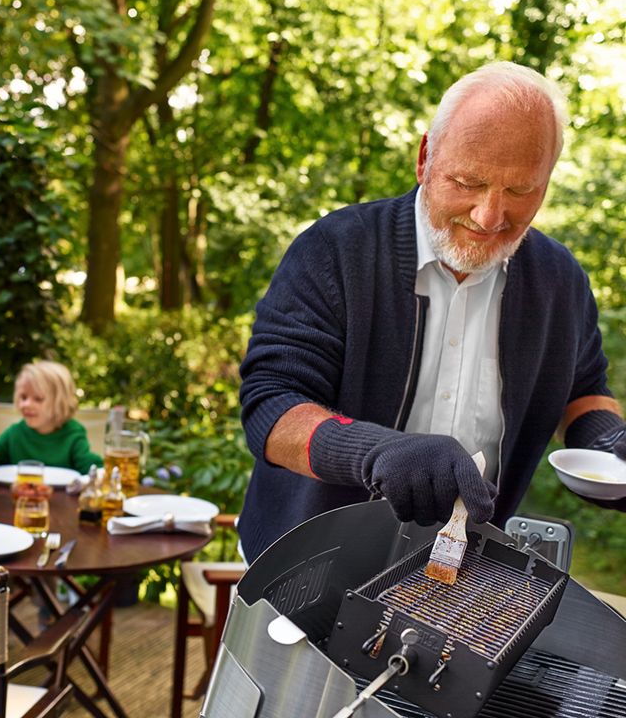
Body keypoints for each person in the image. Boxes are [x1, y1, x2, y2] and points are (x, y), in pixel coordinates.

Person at [237, 61, 625, 564]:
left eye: (520, 191)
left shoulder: (560, 280)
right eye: (468, 181)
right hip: (302, 565)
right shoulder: (336, 250)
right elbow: (271, 409)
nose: (489, 216)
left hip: (462, 573)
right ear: (425, 158)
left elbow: (584, 389)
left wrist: (608, 441)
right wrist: (375, 454)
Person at [0, 360, 102, 474]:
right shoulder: (14, 433)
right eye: (23, 397)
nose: (26, 404)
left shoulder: (73, 434)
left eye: (38, 399)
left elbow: (92, 469)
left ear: (60, 403)